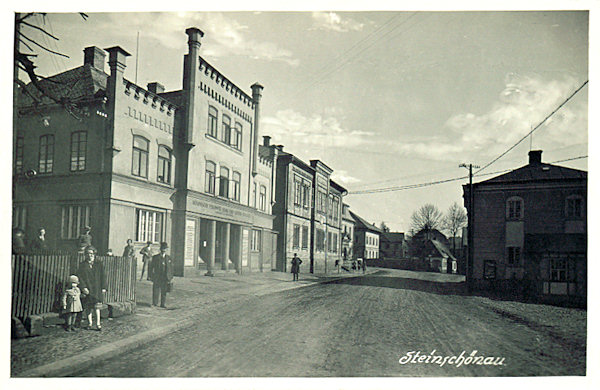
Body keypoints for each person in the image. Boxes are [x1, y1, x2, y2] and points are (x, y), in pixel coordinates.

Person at [77, 246, 107, 331]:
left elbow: (103, 276)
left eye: (91, 253)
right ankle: (89, 323)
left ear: (94, 254)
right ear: (85, 255)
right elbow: (80, 277)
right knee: (88, 307)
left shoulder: (99, 264)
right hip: (88, 289)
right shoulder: (82, 265)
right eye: (88, 253)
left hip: (97, 288)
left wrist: (104, 287)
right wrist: (83, 287)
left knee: (97, 307)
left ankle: (98, 324)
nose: (89, 255)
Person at [150, 242, 173, 308]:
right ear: (160, 249)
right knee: (156, 290)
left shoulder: (168, 258)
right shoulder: (155, 257)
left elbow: (171, 268)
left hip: (165, 277)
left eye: (165, 249)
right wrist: (151, 276)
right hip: (157, 276)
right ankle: (155, 303)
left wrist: (170, 277)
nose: (164, 250)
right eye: (163, 248)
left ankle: (163, 304)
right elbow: (151, 267)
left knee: (164, 291)